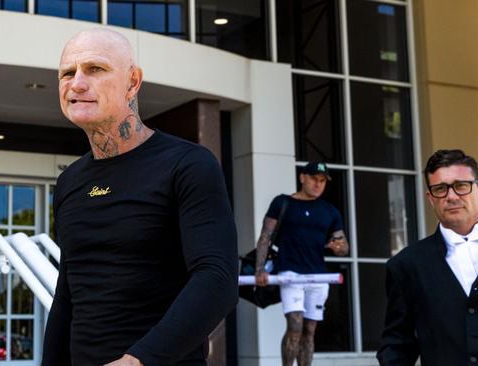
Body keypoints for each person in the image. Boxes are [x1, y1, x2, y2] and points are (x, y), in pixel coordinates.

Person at [42, 28, 238, 366]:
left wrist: (137, 361)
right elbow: (68, 296)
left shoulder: (188, 164)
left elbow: (217, 279)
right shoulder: (69, 182)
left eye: (95, 69)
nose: (76, 84)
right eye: (67, 73)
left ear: (133, 82)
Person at [378, 149, 478, 366]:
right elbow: (397, 345)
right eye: (440, 189)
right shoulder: (406, 265)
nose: (451, 196)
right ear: (431, 198)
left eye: (461, 185)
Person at [254, 162, 349, 366]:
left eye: (322, 181)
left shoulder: (330, 211)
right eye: (314, 179)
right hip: (290, 273)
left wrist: (338, 247)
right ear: (302, 177)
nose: (318, 184)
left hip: (317, 275)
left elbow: (344, 247)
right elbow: (265, 237)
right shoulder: (282, 203)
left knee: (309, 330)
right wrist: (259, 269)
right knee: (295, 326)